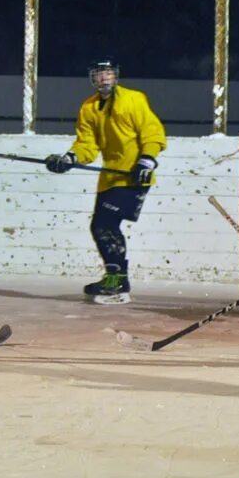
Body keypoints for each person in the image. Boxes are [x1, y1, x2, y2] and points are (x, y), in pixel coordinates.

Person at [45, 58, 166, 304]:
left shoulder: (134, 99)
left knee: (105, 225)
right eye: (99, 74)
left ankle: (118, 280)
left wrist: (147, 160)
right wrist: (69, 158)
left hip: (134, 176)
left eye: (108, 73)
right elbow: (86, 144)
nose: (103, 78)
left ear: (116, 76)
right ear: (92, 78)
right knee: (101, 226)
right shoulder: (88, 108)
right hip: (111, 177)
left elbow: (152, 131)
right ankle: (115, 277)